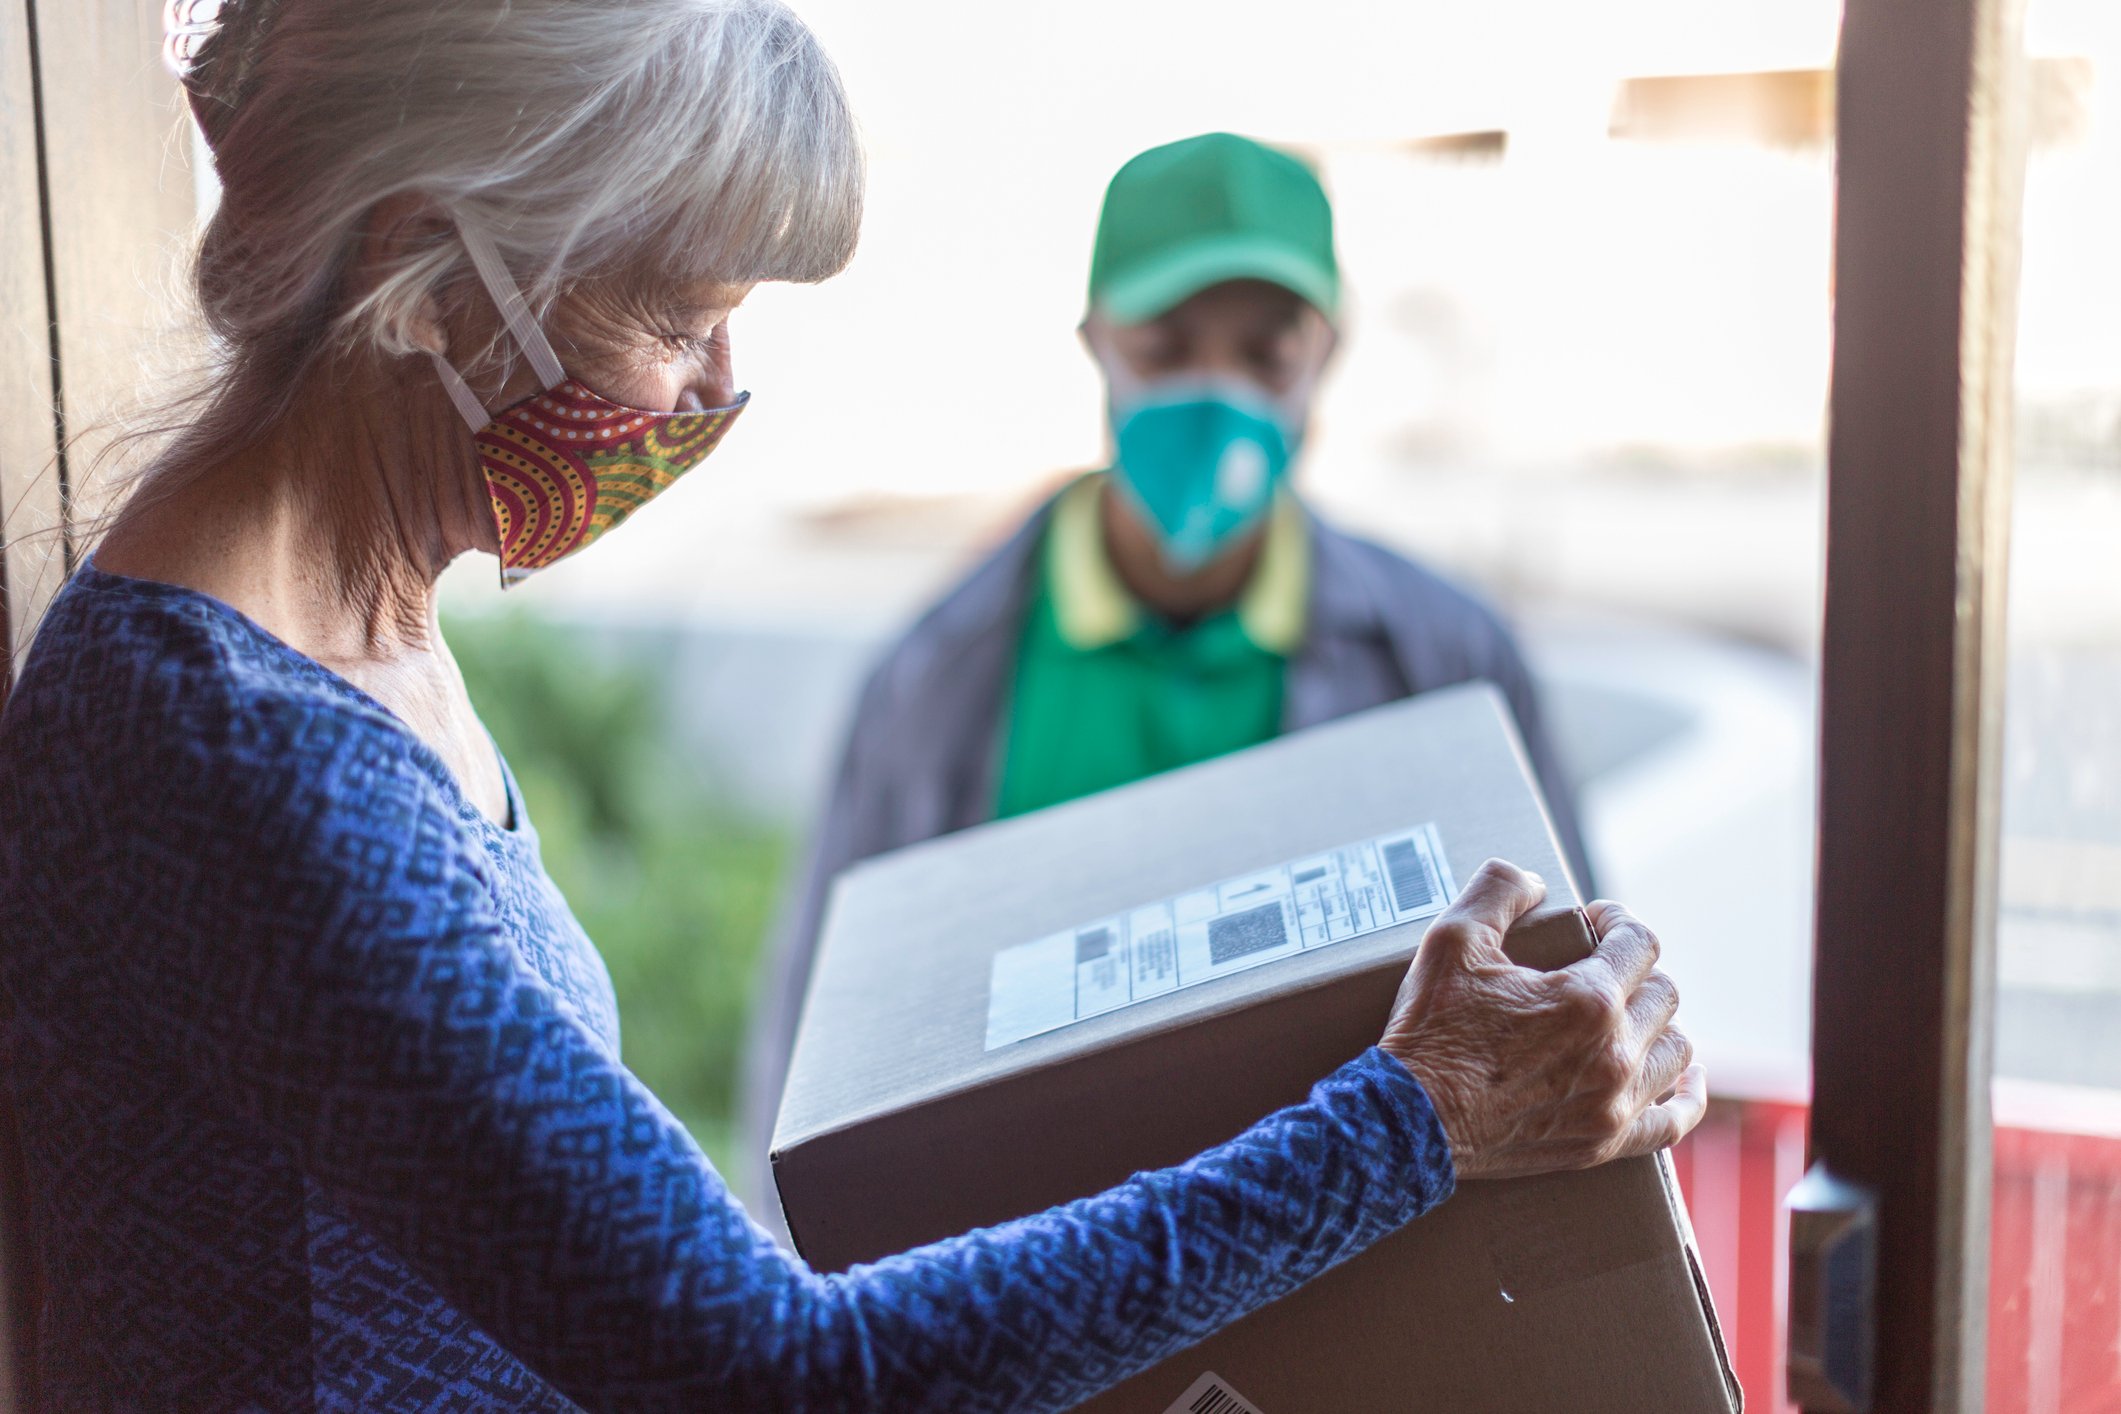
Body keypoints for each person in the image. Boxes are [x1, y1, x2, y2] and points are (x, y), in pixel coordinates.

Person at [0, 3, 1703, 1408]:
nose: (718, 392)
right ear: (431, 274)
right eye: (682, 312)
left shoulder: (362, 643)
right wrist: (1413, 1118)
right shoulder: (234, 749)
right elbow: (775, 1372)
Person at [746, 132, 1597, 1231]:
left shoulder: (1449, 664)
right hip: (1031, 1292)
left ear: (1325, 354)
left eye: (1264, 350)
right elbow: (814, 1080)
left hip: (1357, 1273)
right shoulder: (939, 683)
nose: (1215, 389)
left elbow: (1563, 1015)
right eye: (1167, 343)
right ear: (1094, 344)